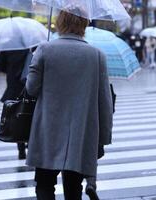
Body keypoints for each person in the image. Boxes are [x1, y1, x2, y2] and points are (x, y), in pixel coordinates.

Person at [25, 10, 113, 200]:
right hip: (80, 134)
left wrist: (36, 61)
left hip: (48, 131)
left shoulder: (44, 49)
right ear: (84, 24)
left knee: (45, 184)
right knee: (74, 188)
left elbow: (31, 88)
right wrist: (102, 138)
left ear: (60, 22)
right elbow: (104, 100)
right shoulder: (96, 55)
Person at [0, 49, 29, 160]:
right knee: (29, 116)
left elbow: (0, 67)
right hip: (27, 86)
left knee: (16, 118)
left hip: (13, 87)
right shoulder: (30, 49)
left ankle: (21, 150)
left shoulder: (6, 49)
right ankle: (29, 144)